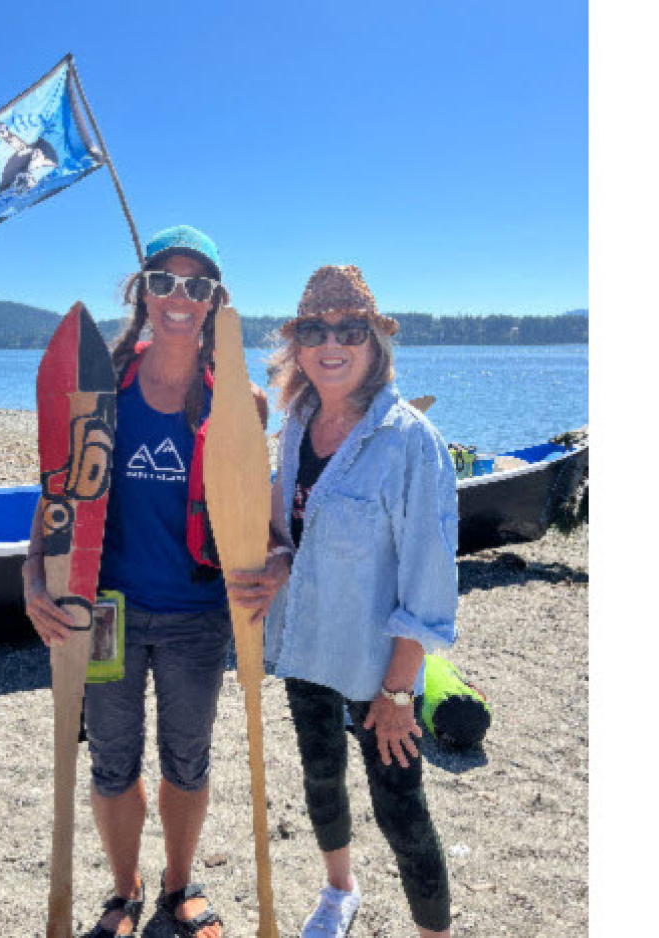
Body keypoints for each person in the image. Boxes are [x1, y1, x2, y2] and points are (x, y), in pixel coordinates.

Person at [23, 225, 266, 938]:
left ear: (216, 302)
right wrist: (33, 572)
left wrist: (276, 561)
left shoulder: (242, 403)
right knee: (111, 762)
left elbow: (255, 510)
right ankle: (124, 893)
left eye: (198, 285)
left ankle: (179, 888)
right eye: (164, 281)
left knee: (187, 762)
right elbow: (59, 489)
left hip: (197, 613)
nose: (179, 296)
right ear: (143, 293)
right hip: (105, 611)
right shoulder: (103, 389)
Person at [227, 264, 459, 937]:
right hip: (307, 643)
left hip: (378, 666)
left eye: (349, 330)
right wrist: (277, 560)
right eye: (315, 330)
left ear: (374, 343)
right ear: (298, 344)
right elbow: (295, 527)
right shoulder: (298, 424)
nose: (332, 343)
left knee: (402, 811)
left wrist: (396, 694)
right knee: (321, 779)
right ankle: (339, 890)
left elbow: (428, 583)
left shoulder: (410, 443)